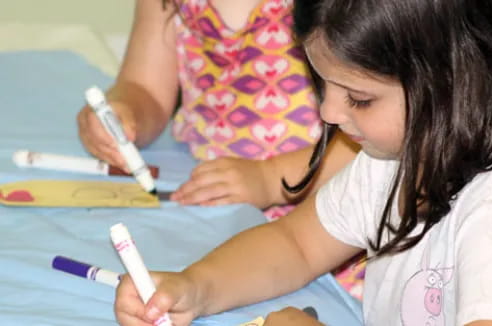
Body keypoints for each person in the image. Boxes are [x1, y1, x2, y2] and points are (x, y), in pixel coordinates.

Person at [114, 0, 492, 324]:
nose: (328, 113)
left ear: (454, 80)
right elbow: (297, 244)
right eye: (321, 85)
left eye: (359, 98)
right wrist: (195, 288)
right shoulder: (388, 162)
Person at [77, 0, 364, 298]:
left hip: (327, 198)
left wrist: (270, 177)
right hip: (214, 199)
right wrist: (125, 114)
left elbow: (381, 132)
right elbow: (144, 87)